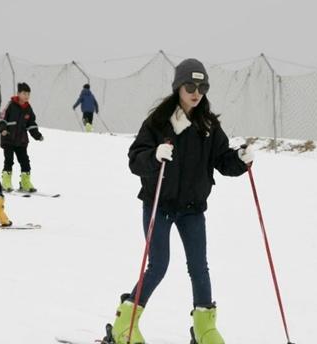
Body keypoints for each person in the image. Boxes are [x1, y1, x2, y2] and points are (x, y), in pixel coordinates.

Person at [108, 59, 254, 344]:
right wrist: (154, 156)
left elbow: (223, 161)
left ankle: (204, 328)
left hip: (192, 209)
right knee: (158, 265)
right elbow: (135, 159)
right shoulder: (159, 123)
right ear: (178, 87)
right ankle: (124, 323)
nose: (196, 92)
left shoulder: (208, 126)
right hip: (159, 205)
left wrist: (240, 160)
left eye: (202, 86)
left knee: (199, 266)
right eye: (190, 86)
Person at [0, 82, 44, 192]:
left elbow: (31, 124)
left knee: (25, 161)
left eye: (28, 94)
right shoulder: (10, 105)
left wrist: (37, 135)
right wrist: (3, 129)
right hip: (8, 139)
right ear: (18, 94)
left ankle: (25, 182)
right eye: (24, 93)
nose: (26, 96)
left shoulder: (28, 108)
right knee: (9, 160)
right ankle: (6, 182)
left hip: (21, 140)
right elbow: (2, 118)